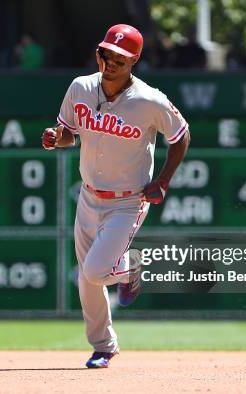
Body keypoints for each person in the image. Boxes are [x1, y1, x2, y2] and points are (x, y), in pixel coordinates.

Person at [41, 24, 190, 368]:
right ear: (99, 52)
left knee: (95, 271)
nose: (111, 60)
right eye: (106, 52)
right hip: (89, 196)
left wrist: (164, 180)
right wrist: (55, 137)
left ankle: (130, 268)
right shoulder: (80, 87)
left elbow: (181, 136)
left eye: (120, 57)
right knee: (87, 279)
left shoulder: (149, 100)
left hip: (128, 199)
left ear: (134, 59)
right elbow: (69, 134)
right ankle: (103, 347)